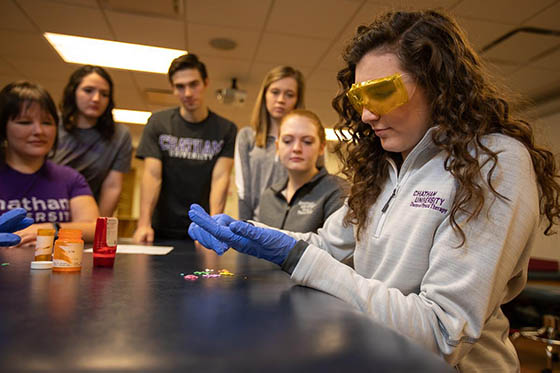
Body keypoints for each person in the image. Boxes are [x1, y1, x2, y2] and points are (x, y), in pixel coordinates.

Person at [187, 9, 560, 372]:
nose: (366, 114)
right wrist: (251, 234)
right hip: (371, 350)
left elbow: (442, 333)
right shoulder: (383, 166)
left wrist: (298, 257)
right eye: (360, 98)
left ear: (438, 85)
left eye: (380, 92)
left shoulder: (493, 163)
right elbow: (324, 246)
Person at [133, 54, 237, 242]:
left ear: (205, 83)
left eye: (193, 84)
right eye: (180, 86)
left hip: (201, 228)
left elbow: (220, 179)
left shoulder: (226, 129)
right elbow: (152, 175)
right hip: (161, 228)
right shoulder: (158, 123)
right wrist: (143, 224)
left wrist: (211, 228)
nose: (187, 93)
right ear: (173, 89)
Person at [0, 81, 99, 246]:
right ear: (3, 128)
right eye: (24, 122)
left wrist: (50, 229)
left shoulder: (70, 178)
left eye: (47, 122)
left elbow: (95, 228)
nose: (39, 131)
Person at [51, 65, 132, 217]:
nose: (96, 99)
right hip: (46, 211)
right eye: (88, 90)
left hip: (87, 216)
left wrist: (97, 228)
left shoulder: (120, 135)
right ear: (73, 92)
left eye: (104, 94)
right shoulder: (51, 125)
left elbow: (112, 187)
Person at [258, 109, 346, 232]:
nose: (296, 148)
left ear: (321, 147)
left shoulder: (339, 191)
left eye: (307, 142)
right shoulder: (269, 196)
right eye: (288, 141)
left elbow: (334, 248)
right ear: (278, 147)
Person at [235, 66, 305, 220]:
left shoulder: (305, 140)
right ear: (265, 94)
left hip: (293, 229)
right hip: (256, 226)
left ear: (296, 100)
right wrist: (242, 230)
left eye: (289, 94)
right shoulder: (247, 137)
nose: (280, 100)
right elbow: (243, 192)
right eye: (275, 92)